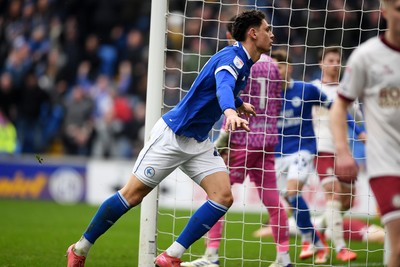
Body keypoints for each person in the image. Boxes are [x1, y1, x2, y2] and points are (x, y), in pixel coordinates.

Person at [66, 10, 273, 267]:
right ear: (253, 33)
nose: (271, 35)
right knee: (132, 195)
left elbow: (212, 88)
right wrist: (230, 110)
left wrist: (239, 103)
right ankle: (80, 248)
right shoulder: (234, 59)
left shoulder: (244, 62)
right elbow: (222, 87)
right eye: (267, 29)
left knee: (222, 196)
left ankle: (170, 256)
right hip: (173, 136)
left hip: (198, 142)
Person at [181, 16, 292, 267]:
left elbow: (231, 99)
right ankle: (284, 257)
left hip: (242, 140)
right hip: (268, 140)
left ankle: (211, 255)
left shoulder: (243, 62)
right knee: (273, 201)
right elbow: (275, 103)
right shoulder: (274, 66)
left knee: (217, 196)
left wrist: (223, 140)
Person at [330, 1, 400, 266]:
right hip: (386, 163)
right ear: (384, 11)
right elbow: (339, 107)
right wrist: (343, 151)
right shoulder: (367, 56)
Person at [269, 49, 330, 264]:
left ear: (289, 67)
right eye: (273, 67)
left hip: (302, 149)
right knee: (290, 199)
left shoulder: (306, 90)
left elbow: (334, 106)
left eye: (281, 66)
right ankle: (314, 241)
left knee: (293, 191)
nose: (277, 71)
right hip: (276, 155)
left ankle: (312, 241)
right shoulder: (266, 96)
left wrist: (356, 131)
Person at [311, 46, 364, 261]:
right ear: (321, 64)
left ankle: (317, 229)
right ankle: (341, 247)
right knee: (332, 193)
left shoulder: (347, 91)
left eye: (337, 60)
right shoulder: (312, 88)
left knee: (348, 201)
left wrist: (363, 133)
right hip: (321, 148)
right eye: (330, 60)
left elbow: (357, 119)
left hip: (344, 151)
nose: (335, 64)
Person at [254, 215, 385, 245]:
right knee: (385, 236)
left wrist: (263, 229)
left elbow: (260, 233)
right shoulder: (292, 221)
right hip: (338, 226)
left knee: (382, 237)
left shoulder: (288, 223)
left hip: (337, 227)